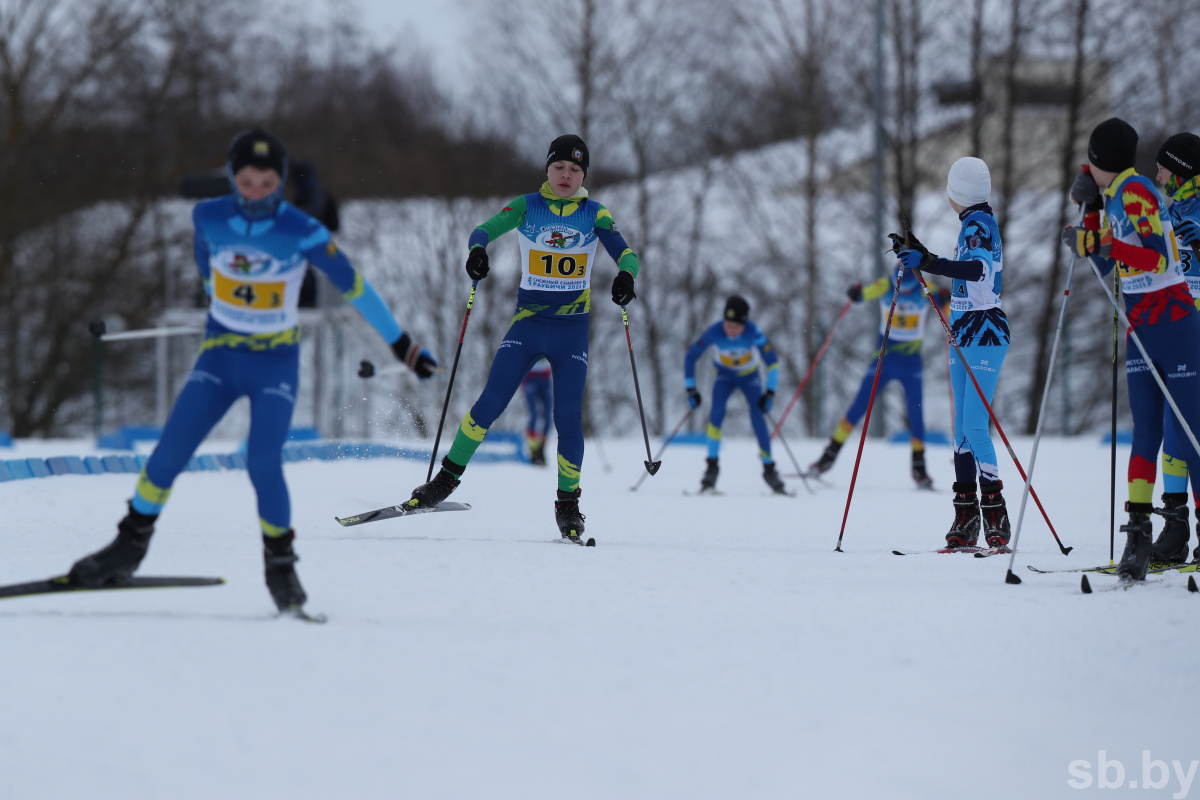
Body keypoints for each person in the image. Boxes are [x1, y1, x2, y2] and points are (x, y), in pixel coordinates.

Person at [67, 129, 438, 613]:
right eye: (246, 180)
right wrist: (211, 290)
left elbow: (354, 287)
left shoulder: (301, 229)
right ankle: (129, 545)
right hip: (220, 358)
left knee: (261, 462)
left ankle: (281, 567)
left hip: (273, 365)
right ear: (232, 178)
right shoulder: (209, 215)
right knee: (166, 455)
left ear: (281, 181)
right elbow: (204, 254)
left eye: (268, 182)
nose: (257, 191)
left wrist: (402, 344)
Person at [403, 134, 640, 543]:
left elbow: (627, 253)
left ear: (584, 175)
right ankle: (445, 480)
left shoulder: (594, 213)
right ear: (547, 168)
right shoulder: (527, 206)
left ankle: (568, 504)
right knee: (490, 403)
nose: (566, 175)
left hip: (571, 331)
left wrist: (625, 276)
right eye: (560, 167)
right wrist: (478, 252)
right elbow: (483, 229)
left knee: (567, 418)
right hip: (528, 325)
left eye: (576, 170)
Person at [1062, 118, 1200, 580]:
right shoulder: (1117, 196)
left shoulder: (1137, 191)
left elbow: (1156, 254)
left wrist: (1096, 239)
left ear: (1101, 160)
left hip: (1176, 326)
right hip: (1140, 330)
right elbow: (1108, 267)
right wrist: (1089, 214)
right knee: (1146, 433)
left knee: (1191, 435)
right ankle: (1138, 536)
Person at [895, 156, 1011, 549]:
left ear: (953, 194)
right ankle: (965, 515)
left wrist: (931, 263)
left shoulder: (979, 224)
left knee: (975, 426)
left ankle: (995, 512)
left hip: (985, 331)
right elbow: (962, 266)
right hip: (962, 330)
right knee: (962, 430)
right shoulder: (973, 223)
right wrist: (919, 254)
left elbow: (978, 270)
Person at [807, 273, 948, 490]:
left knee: (916, 412)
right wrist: (856, 294)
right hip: (883, 360)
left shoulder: (925, 286)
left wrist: (947, 299)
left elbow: (947, 309)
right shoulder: (886, 284)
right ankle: (827, 458)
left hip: (911, 364)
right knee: (858, 407)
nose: (906, 293)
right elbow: (865, 294)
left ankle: (919, 467)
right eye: (902, 289)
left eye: (909, 289)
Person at [1148, 132, 1200, 564]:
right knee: (1171, 432)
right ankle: (1175, 527)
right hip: (1173, 330)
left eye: (1165, 167)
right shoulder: (1168, 209)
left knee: (1193, 432)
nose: (1158, 173)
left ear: (1183, 171)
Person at [683, 295, 787, 495]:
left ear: (744, 323)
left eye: (736, 326)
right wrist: (691, 388)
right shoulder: (715, 331)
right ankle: (711, 469)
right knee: (716, 414)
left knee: (758, 418)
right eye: (728, 324)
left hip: (750, 377)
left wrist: (770, 393)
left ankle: (769, 469)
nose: (731, 330)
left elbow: (772, 362)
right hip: (724, 376)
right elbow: (691, 356)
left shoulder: (753, 332)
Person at [523, 358, 553, 465]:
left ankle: (541, 448)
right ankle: (533, 450)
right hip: (530, 377)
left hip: (545, 378)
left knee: (548, 417)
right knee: (534, 415)